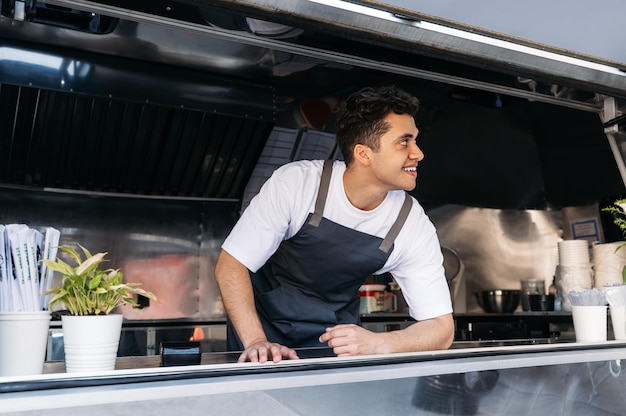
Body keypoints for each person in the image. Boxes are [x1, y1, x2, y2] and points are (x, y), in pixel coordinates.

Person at [215, 85, 454, 363]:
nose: (418, 153)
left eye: (415, 140)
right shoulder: (299, 184)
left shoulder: (410, 223)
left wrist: (379, 344)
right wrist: (256, 341)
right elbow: (231, 265)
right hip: (260, 338)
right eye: (404, 142)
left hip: (335, 345)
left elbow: (441, 328)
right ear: (364, 154)